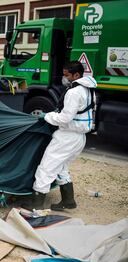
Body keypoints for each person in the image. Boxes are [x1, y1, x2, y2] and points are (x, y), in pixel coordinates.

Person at [23, 61, 97, 211]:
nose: (64, 78)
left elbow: (64, 118)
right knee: (61, 167)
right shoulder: (89, 90)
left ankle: (36, 204)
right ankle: (68, 201)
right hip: (79, 138)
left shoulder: (73, 92)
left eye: (67, 75)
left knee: (46, 168)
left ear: (76, 75)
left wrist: (46, 116)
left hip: (67, 136)